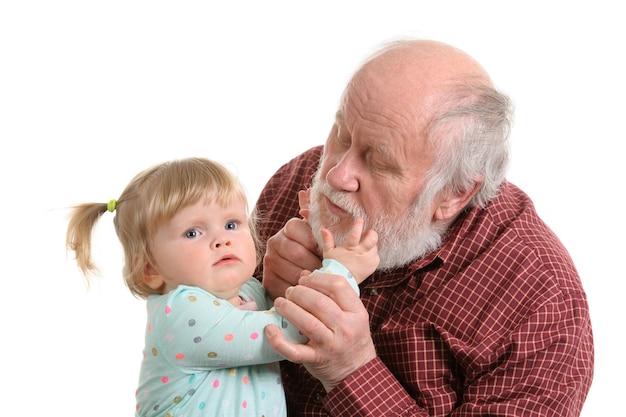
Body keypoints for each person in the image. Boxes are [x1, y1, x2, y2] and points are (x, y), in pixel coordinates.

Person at [254, 39, 594, 416]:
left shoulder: (539, 304)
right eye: (342, 136)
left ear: (454, 194)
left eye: (379, 163)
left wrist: (350, 370)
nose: (337, 174)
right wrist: (252, 292)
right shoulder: (298, 180)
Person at [65, 157, 379, 416]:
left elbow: (281, 306)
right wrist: (343, 270)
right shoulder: (182, 311)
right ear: (150, 268)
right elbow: (288, 331)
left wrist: (314, 238)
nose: (222, 239)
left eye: (231, 224)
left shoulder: (248, 292)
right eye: (192, 232)